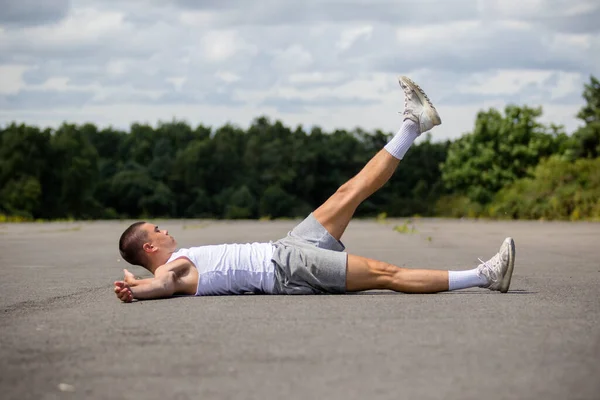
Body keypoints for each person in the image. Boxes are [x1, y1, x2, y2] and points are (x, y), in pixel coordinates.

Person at [114, 76, 516, 303]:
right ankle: (484, 276)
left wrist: (135, 281)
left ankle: (413, 124)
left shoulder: (175, 260)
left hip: (286, 247)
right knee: (386, 274)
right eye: (157, 231)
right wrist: (141, 288)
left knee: (347, 192)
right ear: (150, 248)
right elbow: (164, 285)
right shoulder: (172, 270)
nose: (165, 231)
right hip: (288, 268)